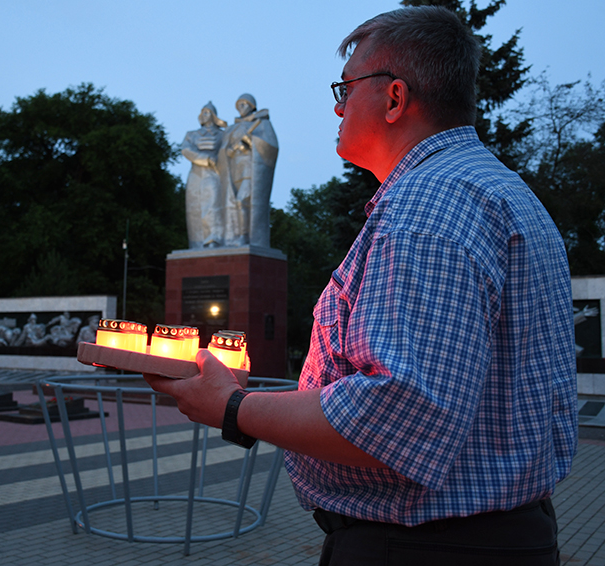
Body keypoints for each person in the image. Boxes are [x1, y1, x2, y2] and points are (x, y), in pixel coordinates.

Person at [144, 6, 577, 565]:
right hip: (487, 537)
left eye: (346, 87)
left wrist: (232, 406)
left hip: (424, 549)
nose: (336, 105)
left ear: (395, 98)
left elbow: (395, 412)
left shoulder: (430, 203)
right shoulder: (499, 191)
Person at [217, 93, 278, 247]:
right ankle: (235, 236)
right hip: (234, 170)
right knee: (234, 203)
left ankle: (244, 237)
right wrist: (230, 150)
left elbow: (271, 145)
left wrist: (250, 142)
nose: (241, 108)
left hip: (250, 170)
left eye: (245, 104)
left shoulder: (261, 123)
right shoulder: (233, 128)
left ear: (252, 106)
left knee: (242, 201)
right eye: (239, 105)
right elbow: (224, 150)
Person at [181, 102, 227, 248]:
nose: (203, 115)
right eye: (202, 112)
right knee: (193, 207)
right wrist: (205, 158)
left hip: (213, 173)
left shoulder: (222, 135)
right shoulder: (192, 135)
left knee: (212, 205)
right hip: (195, 172)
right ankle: (196, 243)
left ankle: (213, 239)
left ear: (214, 116)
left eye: (207, 112)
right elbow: (186, 150)